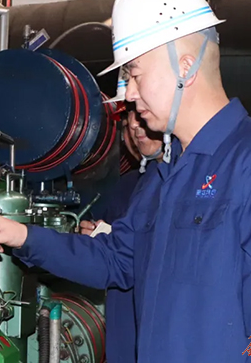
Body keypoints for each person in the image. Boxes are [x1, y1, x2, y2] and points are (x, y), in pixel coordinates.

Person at [0, 0, 251, 362]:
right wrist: (24, 237)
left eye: (135, 74)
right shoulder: (163, 174)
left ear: (185, 67)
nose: (130, 93)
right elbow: (116, 261)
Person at [79, 92, 163, 363]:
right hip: (122, 328)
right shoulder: (125, 185)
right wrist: (91, 233)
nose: (135, 129)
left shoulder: (174, 182)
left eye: (141, 117)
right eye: (127, 124)